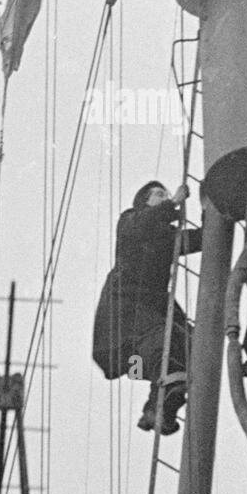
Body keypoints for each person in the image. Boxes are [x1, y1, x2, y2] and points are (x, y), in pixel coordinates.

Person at [92, 180, 202, 434]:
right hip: (125, 305)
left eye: (165, 193)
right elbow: (141, 226)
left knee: (188, 340)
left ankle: (157, 409)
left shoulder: (166, 237)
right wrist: (173, 203)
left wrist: (213, 213)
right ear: (143, 201)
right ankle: (167, 388)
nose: (163, 196)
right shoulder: (129, 220)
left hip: (151, 307)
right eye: (157, 194)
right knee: (159, 338)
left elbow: (197, 239)